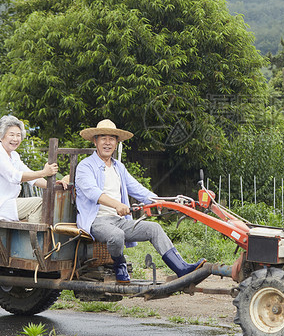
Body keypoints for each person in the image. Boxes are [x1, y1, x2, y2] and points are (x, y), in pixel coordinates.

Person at [74, 119, 205, 283]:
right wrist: (117, 205)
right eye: (103, 138)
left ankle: (181, 268)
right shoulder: (85, 166)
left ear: (116, 143)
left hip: (119, 221)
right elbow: (93, 193)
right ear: (95, 141)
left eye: (112, 138)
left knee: (154, 228)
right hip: (97, 221)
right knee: (117, 235)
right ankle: (119, 265)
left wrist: (163, 201)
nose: (107, 142)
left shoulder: (118, 167)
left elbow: (138, 189)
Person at [0, 115, 64, 222]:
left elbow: (30, 176)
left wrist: (52, 185)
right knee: (40, 203)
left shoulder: (14, 156)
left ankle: (29, 233)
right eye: (11, 135)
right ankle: (32, 237)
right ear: (1, 136)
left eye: (18, 135)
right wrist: (44, 172)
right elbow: (15, 176)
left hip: (2, 204)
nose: (15, 139)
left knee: (40, 204)